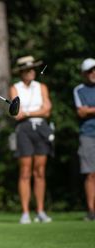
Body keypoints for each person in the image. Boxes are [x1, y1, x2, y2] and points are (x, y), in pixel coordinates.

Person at [10, 56, 53, 224]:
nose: (31, 72)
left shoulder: (42, 87)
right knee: (25, 172)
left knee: (40, 172)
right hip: (24, 130)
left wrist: (28, 113)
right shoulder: (15, 88)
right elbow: (16, 114)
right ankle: (25, 212)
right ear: (21, 72)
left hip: (41, 129)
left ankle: (40, 211)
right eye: (28, 70)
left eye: (33, 69)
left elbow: (47, 111)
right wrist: (36, 111)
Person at [73, 58, 95, 221]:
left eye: (94, 70)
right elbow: (81, 112)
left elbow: (86, 111)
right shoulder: (79, 90)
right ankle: (91, 210)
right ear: (84, 73)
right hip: (87, 134)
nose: (93, 73)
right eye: (89, 71)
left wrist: (90, 110)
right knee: (90, 173)